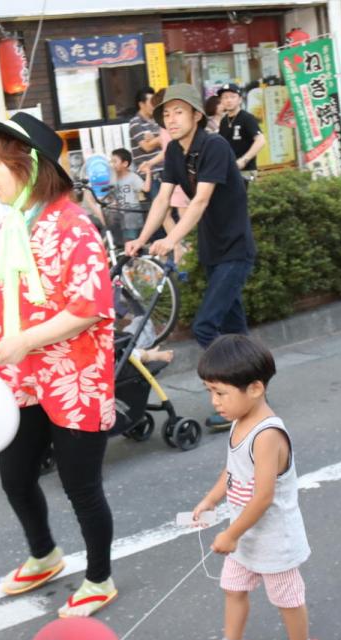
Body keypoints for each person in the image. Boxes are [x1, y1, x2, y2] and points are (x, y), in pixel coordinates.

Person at [0, 112, 119, 617]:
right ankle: (45, 555)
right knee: (15, 475)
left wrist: (23, 339)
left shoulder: (74, 226)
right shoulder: (16, 225)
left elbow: (90, 306)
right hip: (25, 376)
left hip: (74, 377)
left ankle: (99, 577)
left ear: (29, 167)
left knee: (81, 487)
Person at [125, 83, 256, 432]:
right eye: (166, 113)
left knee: (205, 326)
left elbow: (199, 201)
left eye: (178, 111)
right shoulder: (173, 153)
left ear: (197, 115)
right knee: (234, 328)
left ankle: (236, 399)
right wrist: (141, 239)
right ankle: (254, 392)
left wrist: (171, 239)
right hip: (213, 250)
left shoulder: (214, 146)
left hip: (236, 249)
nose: (171, 118)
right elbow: (162, 199)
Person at [186, 335, 317, 640]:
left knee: (286, 595)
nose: (214, 401)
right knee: (233, 587)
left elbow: (263, 495)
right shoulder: (239, 421)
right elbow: (233, 469)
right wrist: (212, 499)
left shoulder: (267, 434)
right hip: (246, 534)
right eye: (210, 391)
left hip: (273, 536)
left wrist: (230, 534)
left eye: (220, 392)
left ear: (255, 388)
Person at [217, 83, 266, 176]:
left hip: (246, 170)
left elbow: (261, 140)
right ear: (221, 101)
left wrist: (244, 160)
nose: (228, 100)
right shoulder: (224, 121)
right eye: (225, 97)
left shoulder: (247, 118)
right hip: (229, 170)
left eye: (232, 97)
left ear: (240, 99)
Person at [129, 87, 164, 198]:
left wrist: (155, 139)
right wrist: (161, 138)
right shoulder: (135, 123)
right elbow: (147, 147)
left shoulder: (157, 120)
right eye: (151, 102)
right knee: (159, 209)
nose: (154, 105)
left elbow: (168, 141)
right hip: (151, 175)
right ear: (141, 104)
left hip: (165, 171)